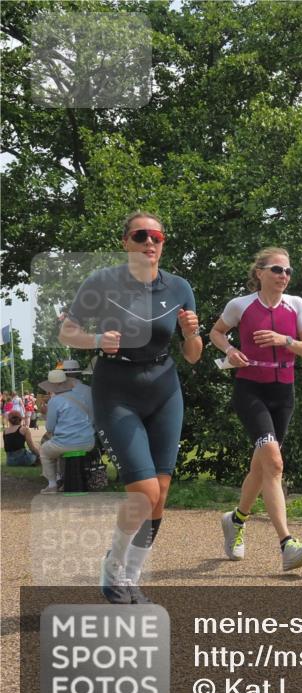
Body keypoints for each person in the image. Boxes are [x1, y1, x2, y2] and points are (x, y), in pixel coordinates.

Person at [59, 210, 202, 603]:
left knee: (162, 490)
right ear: (126, 242)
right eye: (141, 236)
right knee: (143, 490)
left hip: (164, 388)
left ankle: (132, 577)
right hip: (116, 388)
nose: (150, 243)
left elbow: (192, 355)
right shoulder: (101, 282)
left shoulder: (179, 287)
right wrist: (96, 340)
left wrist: (191, 335)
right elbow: (66, 331)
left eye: (157, 236)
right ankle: (113, 568)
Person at [209, 247, 302, 572]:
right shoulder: (240, 305)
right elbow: (216, 332)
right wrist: (230, 349)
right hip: (250, 390)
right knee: (273, 461)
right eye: (276, 270)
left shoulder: (297, 305)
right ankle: (288, 545)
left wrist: (284, 340)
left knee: (263, 468)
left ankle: (236, 519)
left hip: (284, 393)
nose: (283, 276)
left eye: (287, 271)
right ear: (259, 273)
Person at [36, 369, 95, 494]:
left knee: (44, 451)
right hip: (88, 441)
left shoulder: (54, 401)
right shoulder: (80, 396)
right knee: (63, 449)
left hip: (66, 443)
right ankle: (66, 481)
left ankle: (52, 484)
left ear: (52, 386)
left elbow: (50, 428)